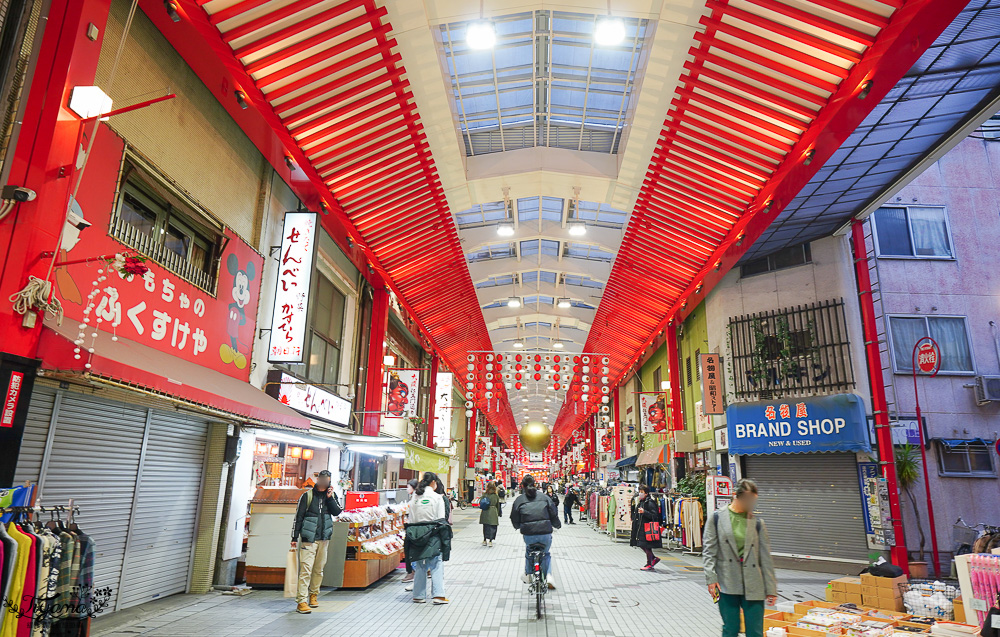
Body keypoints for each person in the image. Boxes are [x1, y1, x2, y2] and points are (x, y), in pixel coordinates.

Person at [703, 479, 778, 637]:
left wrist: (771, 588)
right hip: (726, 581)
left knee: (755, 631)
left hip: (753, 582)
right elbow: (709, 551)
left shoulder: (757, 523)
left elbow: (765, 557)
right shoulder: (716, 518)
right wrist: (711, 578)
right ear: (735, 496)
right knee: (731, 628)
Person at [290, 470, 343, 614]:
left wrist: (330, 498)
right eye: (322, 479)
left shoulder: (331, 496)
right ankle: (301, 601)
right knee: (306, 570)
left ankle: (313, 595)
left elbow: (337, 512)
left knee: (318, 569)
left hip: (324, 538)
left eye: (327, 480)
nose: (324, 482)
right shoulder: (307, 496)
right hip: (308, 539)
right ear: (318, 479)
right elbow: (298, 517)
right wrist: (294, 538)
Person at [404, 472, 452, 605]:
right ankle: (438, 595)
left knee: (420, 563)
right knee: (436, 562)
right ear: (433, 483)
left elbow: (411, 518)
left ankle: (418, 595)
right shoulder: (437, 498)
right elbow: (441, 519)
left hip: (416, 533)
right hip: (433, 533)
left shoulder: (415, 497)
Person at [510, 475, 561, 590]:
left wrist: (517, 526)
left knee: (529, 551)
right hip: (545, 533)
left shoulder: (519, 500)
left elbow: (514, 517)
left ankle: (528, 574)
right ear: (536, 485)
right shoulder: (545, 497)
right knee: (546, 553)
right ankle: (548, 576)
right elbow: (553, 513)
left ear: (522, 486)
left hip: (529, 534)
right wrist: (557, 525)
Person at [629, 485, 662, 570]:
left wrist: (644, 512)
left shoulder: (650, 502)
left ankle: (649, 564)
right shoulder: (642, 501)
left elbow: (654, 516)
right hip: (641, 527)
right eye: (639, 491)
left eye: (642, 492)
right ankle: (653, 559)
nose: (640, 493)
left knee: (647, 546)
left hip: (647, 528)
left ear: (646, 493)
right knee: (642, 545)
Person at [401, 479, 418, 585]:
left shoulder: (416, 497)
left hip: (413, 527)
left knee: (410, 550)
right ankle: (412, 571)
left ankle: (412, 572)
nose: (407, 489)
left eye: (408, 487)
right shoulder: (414, 496)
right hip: (413, 526)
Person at [480, 481, 500, 546]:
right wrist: (499, 513)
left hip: (485, 511)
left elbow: (480, 502)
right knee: (493, 527)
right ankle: (490, 541)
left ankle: (484, 540)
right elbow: (498, 505)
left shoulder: (485, 494)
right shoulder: (495, 495)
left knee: (485, 526)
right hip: (493, 511)